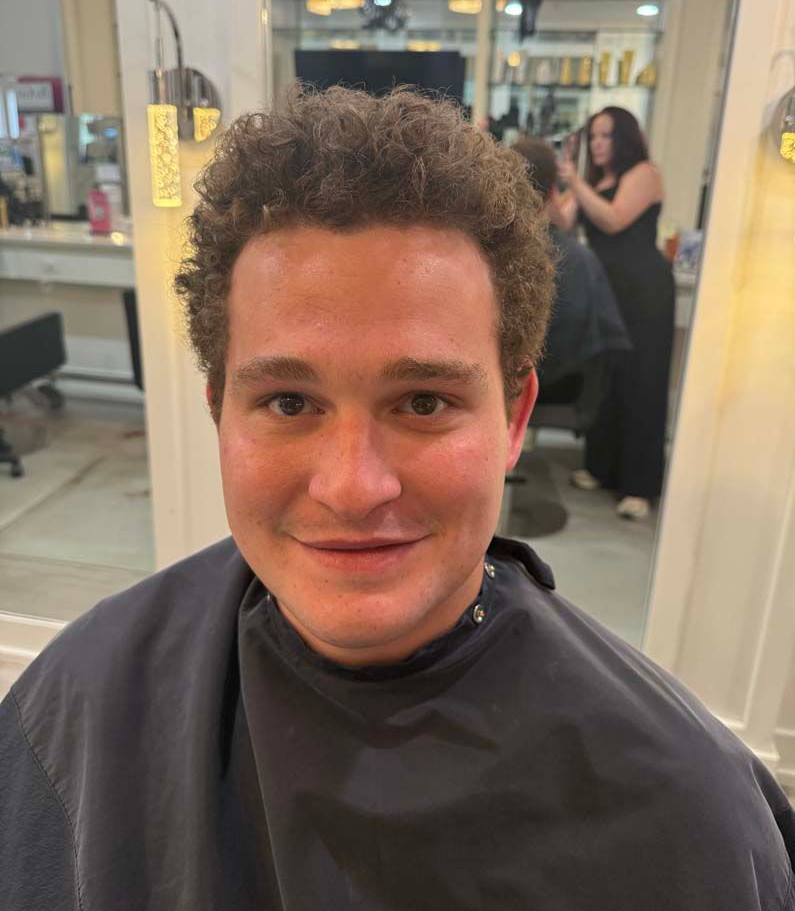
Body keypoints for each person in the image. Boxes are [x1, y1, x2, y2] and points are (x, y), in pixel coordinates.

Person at [0, 88, 792, 911]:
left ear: (514, 418)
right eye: (287, 403)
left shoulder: (684, 811)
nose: (351, 487)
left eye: (421, 402)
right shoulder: (86, 703)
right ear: (218, 413)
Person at [557, 106, 675, 521]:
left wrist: (575, 183)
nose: (599, 144)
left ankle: (638, 485)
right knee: (606, 375)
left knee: (641, 381)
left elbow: (613, 219)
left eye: (606, 136)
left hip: (645, 290)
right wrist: (557, 182)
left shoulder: (645, 173)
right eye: (594, 136)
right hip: (606, 291)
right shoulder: (592, 182)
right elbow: (562, 221)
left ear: (624, 138)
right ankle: (601, 466)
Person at [511, 136, 631, 385]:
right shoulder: (581, 257)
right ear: (553, 192)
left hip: (524, 388)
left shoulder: (497, 255)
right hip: (575, 390)